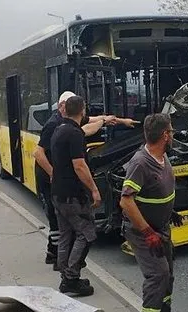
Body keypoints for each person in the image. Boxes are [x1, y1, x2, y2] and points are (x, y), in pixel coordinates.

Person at [33, 91, 138, 269]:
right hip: (53, 180)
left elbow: (93, 123)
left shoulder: (65, 127)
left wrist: (120, 121)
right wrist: (54, 174)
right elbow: (42, 154)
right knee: (79, 231)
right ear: (62, 107)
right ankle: (68, 270)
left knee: (65, 229)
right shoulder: (55, 126)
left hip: (59, 185)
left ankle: (61, 265)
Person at [119, 113, 183, 312]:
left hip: (161, 227)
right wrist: (148, 233)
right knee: (158, 275)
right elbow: (126, 201)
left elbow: (156, 191)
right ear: (165, 135)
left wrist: (169, 211)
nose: (172, 135)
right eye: (171, 131)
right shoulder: (141, 163)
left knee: (168, 275)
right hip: (144, 232)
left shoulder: (162, 157)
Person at [50, 95, 101, 296]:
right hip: (73, 196)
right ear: (82, 110)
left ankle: (65, 275)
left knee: (65, 234)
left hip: (58, 193)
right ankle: (71, 277)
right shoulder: (75, 133)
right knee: (86, 233)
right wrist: (94, 190)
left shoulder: (58, 129)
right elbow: (79, 165)